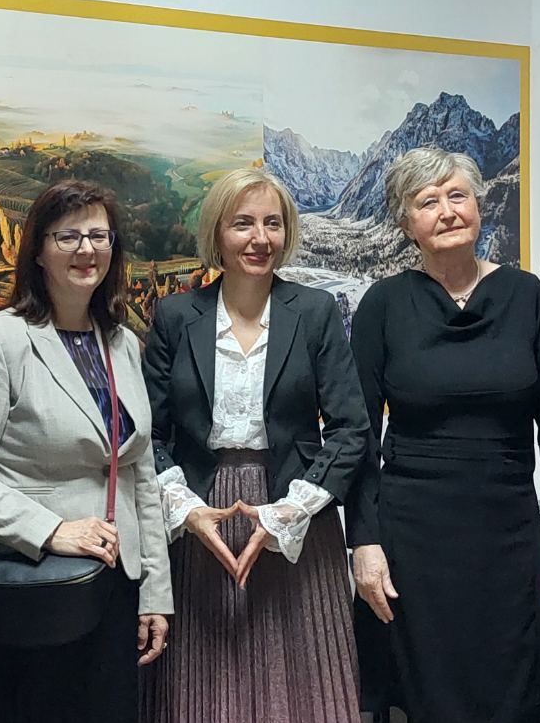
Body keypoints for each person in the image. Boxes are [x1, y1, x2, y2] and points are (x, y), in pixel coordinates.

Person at [349, 146, 540, 723]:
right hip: (413, 537)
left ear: (480, 206)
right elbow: (359, 433)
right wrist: (364, 544)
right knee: (430, 692)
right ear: (407, 224)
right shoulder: (383, 304)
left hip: (509, 531)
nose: (448, 211)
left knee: (519, 687)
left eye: (458, 195)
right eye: (428, 201)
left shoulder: (527, 295)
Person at [139, 167, 369, 723]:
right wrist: (187, 511)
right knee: (207, 689)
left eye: (273, 223)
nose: (259, 238)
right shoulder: (175, 315)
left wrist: (289, 513)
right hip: (200, 519)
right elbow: (148, 434)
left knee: (303, 691)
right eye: (243, 223)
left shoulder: (314, 312)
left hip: (295, 517)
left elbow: (350, 428)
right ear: (217, 233)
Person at [0, 179, 171, 723]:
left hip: (115, 589)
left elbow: (139, 473)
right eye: (68, 236)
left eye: (99, 236)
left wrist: (154, 593)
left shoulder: (122, 343)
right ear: (38, 251)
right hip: (32, 588)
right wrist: (50, 529)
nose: (86, 249)